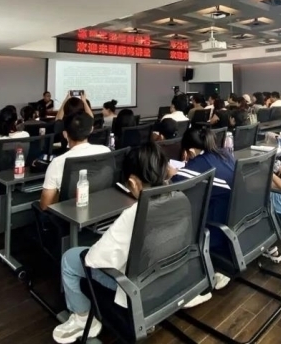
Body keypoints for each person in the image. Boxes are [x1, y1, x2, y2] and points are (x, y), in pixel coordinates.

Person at [53, 143, 220, 343]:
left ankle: (82, 319)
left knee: (71, 258)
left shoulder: (134, 215)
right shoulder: (182, 198)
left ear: (132, 182)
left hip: (140, 292)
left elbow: (93, 260)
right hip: (174, 278)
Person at [39, 112, 110, 210]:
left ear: (65, 134)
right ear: (91, 129)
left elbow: (45, 206)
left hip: (69, 215)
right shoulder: (105, 150)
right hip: (101, 208)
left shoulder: (57, 162)